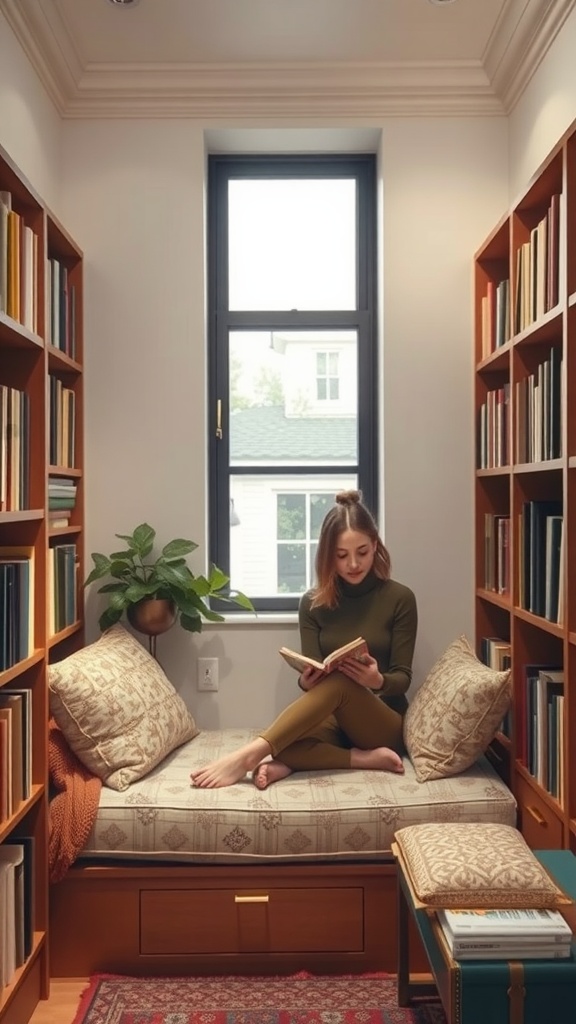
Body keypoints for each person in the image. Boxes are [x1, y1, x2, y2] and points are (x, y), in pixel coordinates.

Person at [191, 490, 418, 790]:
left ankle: (248, 755)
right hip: (336, 720)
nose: (353, 564)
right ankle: (362, 759)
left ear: (375, 546)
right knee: (283, 742)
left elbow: (403, 678)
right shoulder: (312, 603)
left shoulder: (400, 598)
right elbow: (314, 670)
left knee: (339, 684)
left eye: (362, 552)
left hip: (382, 721)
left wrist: (377, 681)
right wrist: (307, 682)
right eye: (341, 555)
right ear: (327, 556)